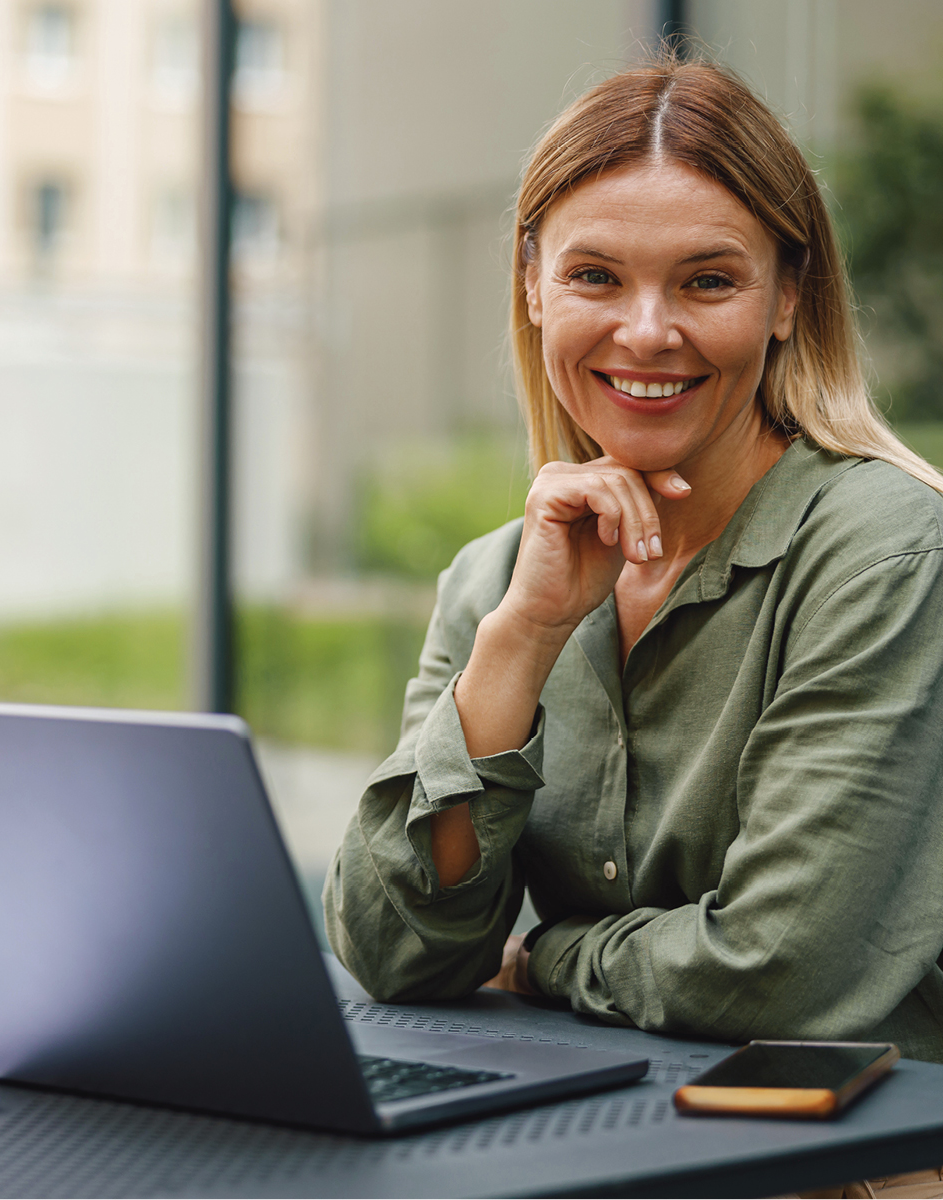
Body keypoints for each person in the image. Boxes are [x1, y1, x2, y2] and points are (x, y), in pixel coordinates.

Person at [323, 54, 943, 1198]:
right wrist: (522, 638)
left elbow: (781, 973)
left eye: (707, 282)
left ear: (787, 297)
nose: (646, 333)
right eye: (596, 276)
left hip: (836, 1165)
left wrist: (544, 960)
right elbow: (396, 953)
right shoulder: (500, 579)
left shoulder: (888, 552)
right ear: (533, 286)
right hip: (584, 1141)